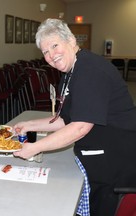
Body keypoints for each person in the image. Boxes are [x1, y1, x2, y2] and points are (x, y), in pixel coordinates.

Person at [13, 18, 136, 216]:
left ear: (70, 40)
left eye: (54, 45)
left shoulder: (90, 70)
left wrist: (35, 148)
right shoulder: (71, 71)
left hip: (114, 165)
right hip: (97, 157)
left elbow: (80, 127)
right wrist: (28, 125)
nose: (51, 55)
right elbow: (66, 118)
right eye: (45, 51)